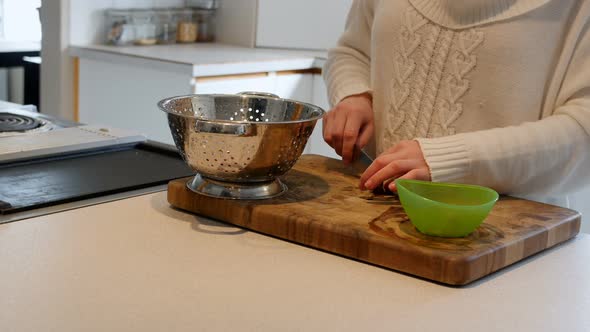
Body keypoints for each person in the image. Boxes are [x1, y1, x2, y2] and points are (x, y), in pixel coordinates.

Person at [322, 0, 590, 204]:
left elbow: (583, 132)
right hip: (375, 211)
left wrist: (447, 161)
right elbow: (352, 51)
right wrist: (355, 94)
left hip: (509, 245)